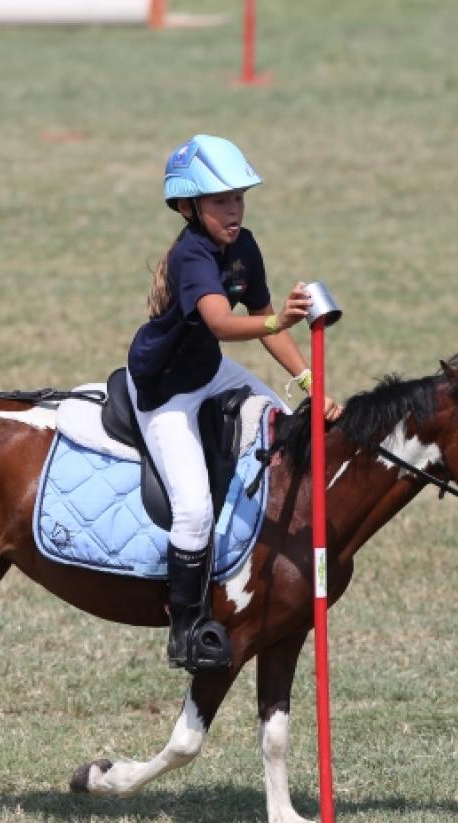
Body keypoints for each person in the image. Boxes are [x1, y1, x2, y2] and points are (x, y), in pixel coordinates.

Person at [127, 134, 342, 674]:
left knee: (285, 432)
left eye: (239, 198)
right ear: (188, 207)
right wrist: (279, 321)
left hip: (211, 371)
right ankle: (185, 630)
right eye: (221, 201)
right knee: (195, 508)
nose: (234, 210)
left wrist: (309, 380)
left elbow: (263, 317)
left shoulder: (244, 245)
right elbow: (225, 321)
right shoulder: (192, 255)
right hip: (165, 389)